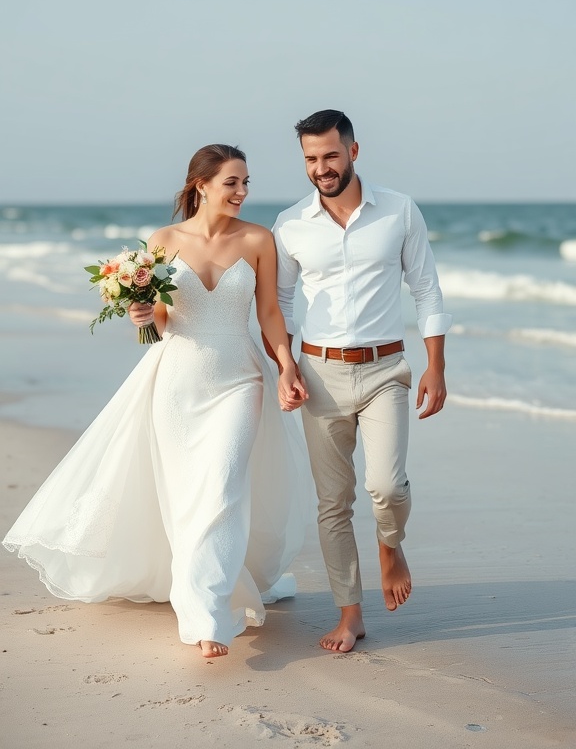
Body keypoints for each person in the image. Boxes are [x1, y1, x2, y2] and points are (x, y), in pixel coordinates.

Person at [3, 144, 311, 659]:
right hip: (177, 381)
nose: (242, 192)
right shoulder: (163, 241)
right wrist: (140, 315)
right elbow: (159, 323)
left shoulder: (259, 240)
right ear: (201, 185)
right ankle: (199, 590)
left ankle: (207, 614)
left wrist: (287, 366)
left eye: (246, 182)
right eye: (232, 182)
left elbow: (270, 316)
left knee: (222, 487)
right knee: (185, 492)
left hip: (240, 379)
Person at [269, 110, 452, 653]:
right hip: (318, 373)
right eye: (310, 159)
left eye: (330, 155)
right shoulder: (291, 224)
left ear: (353, 150)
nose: (321, 168)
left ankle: (390, 544)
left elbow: (428, 291)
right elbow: (278, 302)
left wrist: (436, 366)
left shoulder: (398, 210)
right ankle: (351, 614)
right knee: (334, 503)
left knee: (387, 487)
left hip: (385, 371)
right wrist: (286, 367)